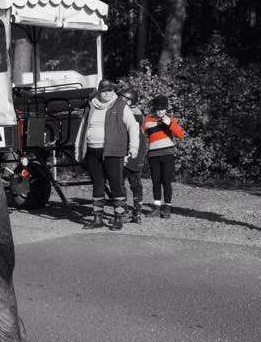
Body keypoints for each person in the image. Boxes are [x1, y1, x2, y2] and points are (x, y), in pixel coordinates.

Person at [74, 80, 139, 231]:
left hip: (113, 152)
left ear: (113, 91)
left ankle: (118, 218)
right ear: (99, 92)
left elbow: (133, 127)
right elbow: (82, 128)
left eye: (110, 90)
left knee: (116, 185)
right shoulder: (91, 106)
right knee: (98, 185)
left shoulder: (120, 105)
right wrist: (78, 148)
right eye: (104, 91)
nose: (107, 93)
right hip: (92, 151)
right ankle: (97, 219)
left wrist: (133, 147)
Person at [142, 95, 185, 218]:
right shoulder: (147, 120)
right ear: (154, 109)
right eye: (158, 109)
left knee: (166, 181)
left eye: (163, 109)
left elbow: (180, 135)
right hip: (153, 155)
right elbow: (140, 135)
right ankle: (156, 208)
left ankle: (167, 208)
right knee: (156, 182)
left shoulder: (170, 120)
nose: (161, 111)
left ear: (166, 109)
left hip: (167, 154)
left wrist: (170, 124)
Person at [120, 88, 148, 223]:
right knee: (132, 184)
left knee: (126, 183)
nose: (119, 100)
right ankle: (135, 213)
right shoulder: (134, 114)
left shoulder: (133, 115)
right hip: (131, 153)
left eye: (122, 98)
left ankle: (130, 213)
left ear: (129, 102)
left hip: (133, 153)